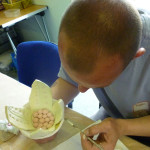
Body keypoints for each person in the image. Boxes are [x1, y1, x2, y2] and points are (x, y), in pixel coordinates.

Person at [51, 0, 150, 149]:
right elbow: (69, 81)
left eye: (99, 83)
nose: (82, 89)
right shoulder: (83, 36)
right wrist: (48, 105)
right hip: (113, 116)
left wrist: (121, 127)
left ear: (135, 56)